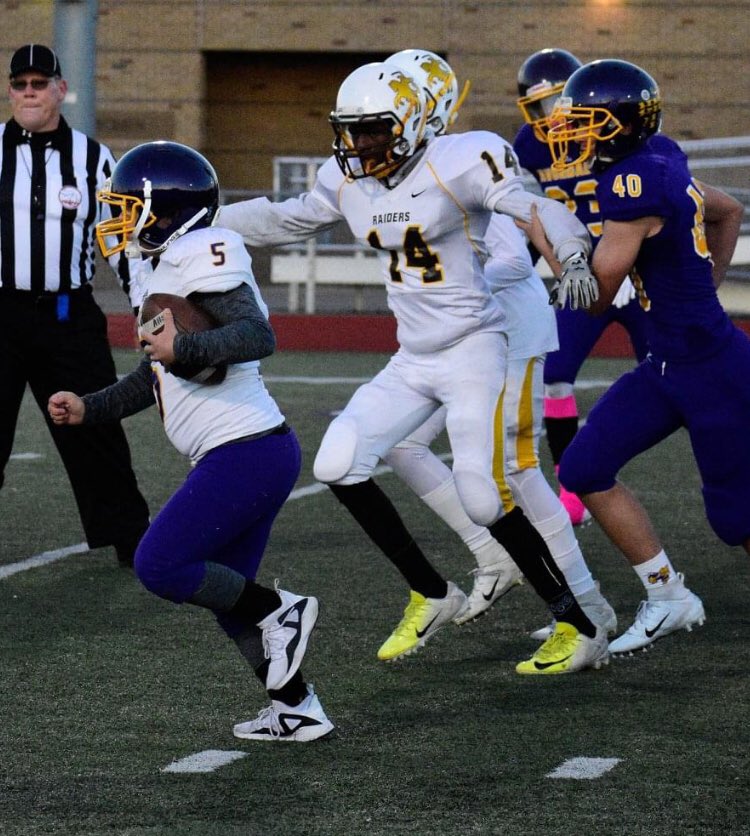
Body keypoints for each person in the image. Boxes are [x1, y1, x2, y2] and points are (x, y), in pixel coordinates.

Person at [218, 61, 610, 675]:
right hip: (413, 356)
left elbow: (534, 210)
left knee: (487, 492)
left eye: (373, 129)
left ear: (417, 122)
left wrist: (570, 254)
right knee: (338, 464)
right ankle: (431, 589)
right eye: (351, 130)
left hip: (474, 348)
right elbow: (287, 218)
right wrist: (198, 219)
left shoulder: (462, 161)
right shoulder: (350, 180)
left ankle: (578, 622)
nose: (359, 145)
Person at [48, 141, 333, 742]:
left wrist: (188, 349)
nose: (117, 220)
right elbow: (154, 372)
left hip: (246, 450)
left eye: (128, 206)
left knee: (159, 564)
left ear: (166, 209)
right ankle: (298, 708)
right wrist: (90, 408)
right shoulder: (166, 263)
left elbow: (257, 335)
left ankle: (279, 610)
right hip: (250, 451)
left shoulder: (203, 249)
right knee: (227, 598)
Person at [379, 49, 616, 637]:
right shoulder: (401, 172)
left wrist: (449, 277)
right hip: (455, 342)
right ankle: (494, 555)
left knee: (516, 466)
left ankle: (590, 606)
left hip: (504, 330)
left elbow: (510, 258)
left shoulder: (467, 159)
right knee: (401, 442)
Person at [544, 58, 749, 654]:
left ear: (622, 125)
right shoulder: (663, 157)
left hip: (712, 370)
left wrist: (549, 240)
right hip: (665, 366)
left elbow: (594, 300)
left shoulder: (631, 183)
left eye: (587, 123)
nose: (575, 135)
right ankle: (668, 596)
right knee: (582, 469)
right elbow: (728, 208)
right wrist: (709, 278)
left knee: (737, 522)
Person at [0, 43, 149, 566]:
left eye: (40, 84)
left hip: (67, 316)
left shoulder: (96, 159)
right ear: (10, 89)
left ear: (61, 90)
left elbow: (122, 245)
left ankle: (131, 540)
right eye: (20, 84)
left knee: (96, 426)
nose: (29, 93)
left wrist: (144, 307)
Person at [513, 48, 651, 526]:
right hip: (581, 278)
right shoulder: (529, 145)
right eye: (539, 108)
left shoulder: (615, 132)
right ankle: (571, 488)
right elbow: (531, 215)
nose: (549, 119)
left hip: (640, 274)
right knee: (554, 373)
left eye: (557, 104)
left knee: (681, 374)